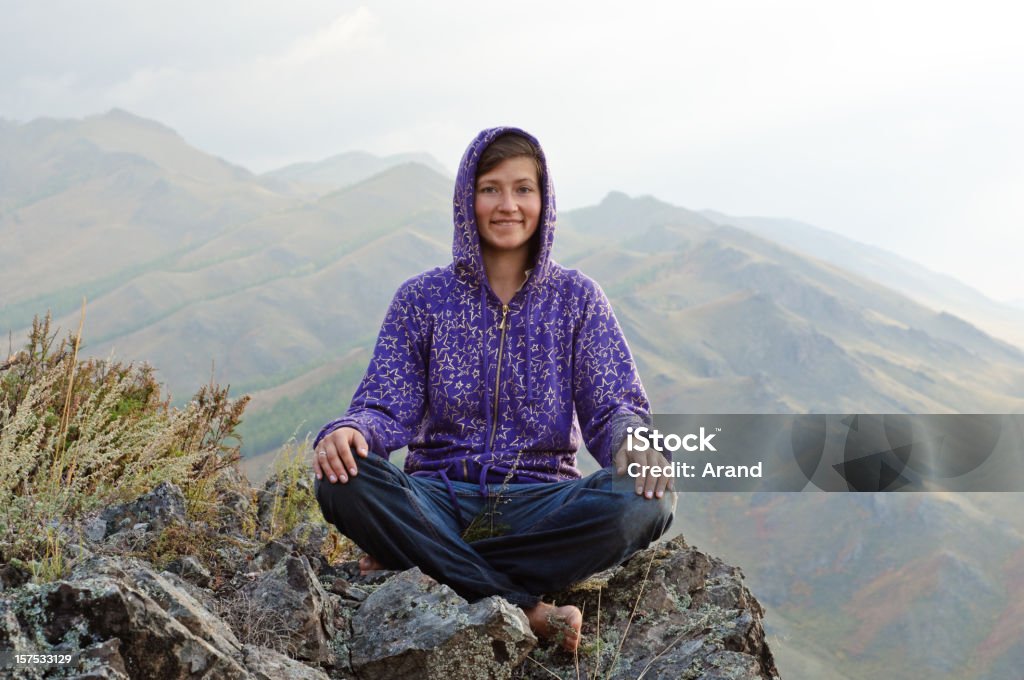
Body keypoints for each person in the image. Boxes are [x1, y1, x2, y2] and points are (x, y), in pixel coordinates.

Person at [313, 127, 674, 651]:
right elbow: (385, 402)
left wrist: (632, 441)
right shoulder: (422, 299)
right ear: (467, 199)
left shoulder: (578, 299)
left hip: (541, 502)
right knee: (343, 479)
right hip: (438, 495)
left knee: (648, 501)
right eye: (491, 189)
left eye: (523, 189)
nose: (508, 205)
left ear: (544, 202)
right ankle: (528, 608)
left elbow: (614, 403)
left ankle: (423, 559)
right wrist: (352, 429)